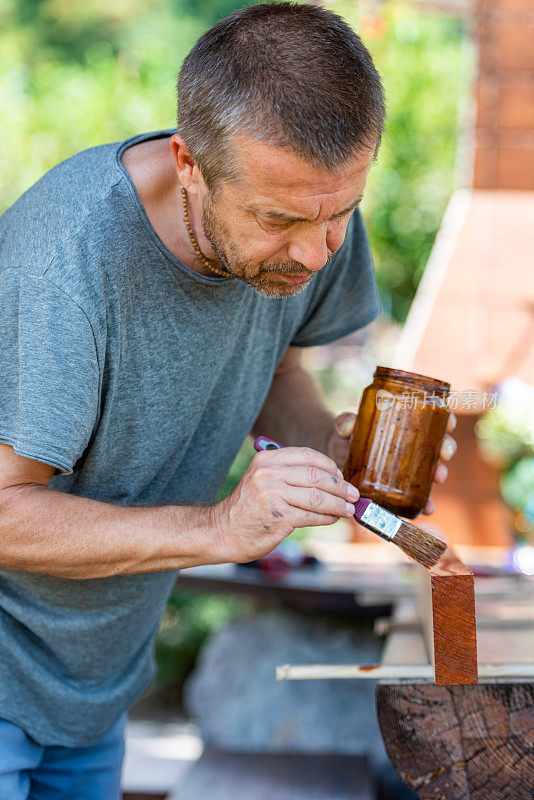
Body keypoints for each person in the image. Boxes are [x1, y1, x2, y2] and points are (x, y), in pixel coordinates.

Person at [0, 2, 456, 797]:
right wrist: (221, 526)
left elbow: (269, 368)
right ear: (187, 162)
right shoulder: (64, 263)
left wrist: (333, 442)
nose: (314, 253)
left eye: (339, 215)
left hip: (94, 687)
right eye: (279, 220)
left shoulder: (305, 208)